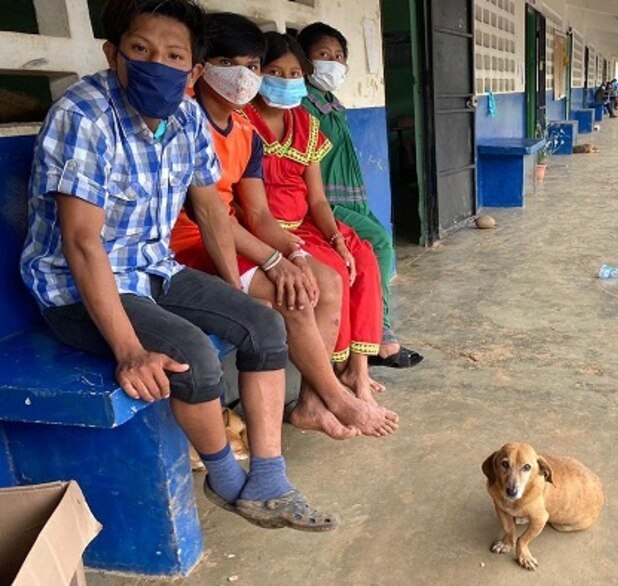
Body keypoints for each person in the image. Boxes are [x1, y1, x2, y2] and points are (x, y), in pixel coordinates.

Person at [20, 0, 334, 531]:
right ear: (113, 54)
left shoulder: (187, 116)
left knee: (263, 326)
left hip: (153, 267)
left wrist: (232, 293)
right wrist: (129, 351)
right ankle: (227, 481)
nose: (156, 65)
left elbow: (211, 207)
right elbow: (80, 243)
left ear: (192, 69)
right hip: (77, 288)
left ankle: (269, 477)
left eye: (173, 55)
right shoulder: (83, 115)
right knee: (192, 357)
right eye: (141, 50)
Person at [169, 14, 398, 438]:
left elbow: (256, 214)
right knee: (293, 294)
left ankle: (315, 401)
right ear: (201, 67)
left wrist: (293, 254)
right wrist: (275, 260)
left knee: (324, 281)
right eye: (227, 62)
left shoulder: (242, 129)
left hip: (236, 235)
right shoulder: (185, 121)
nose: (243, 76)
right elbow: (211, 218)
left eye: (252, 66)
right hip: (190, 246)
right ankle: (337, 396)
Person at [298, 22, 423, 369]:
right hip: (326, 202)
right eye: (323, 55)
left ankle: (371, 336)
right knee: (379, 243)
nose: (333, 62)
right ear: (305, 60)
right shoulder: (301, 106)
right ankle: (380, 336)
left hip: (351, 199)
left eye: (338, 55)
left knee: (373, 251)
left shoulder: (330, 102)